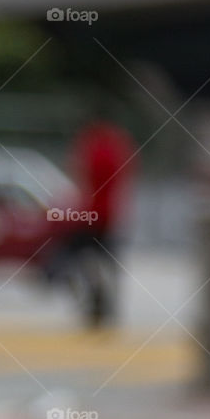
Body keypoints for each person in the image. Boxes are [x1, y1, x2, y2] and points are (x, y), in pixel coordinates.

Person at [67, 105, 136, 327]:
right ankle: (108, 305)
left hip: (91, 213)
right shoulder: (120, 144)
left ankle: (95, 302)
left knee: (79, 258)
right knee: (108, 262)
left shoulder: (91, 144)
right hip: (112, 214)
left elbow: (79, 173)